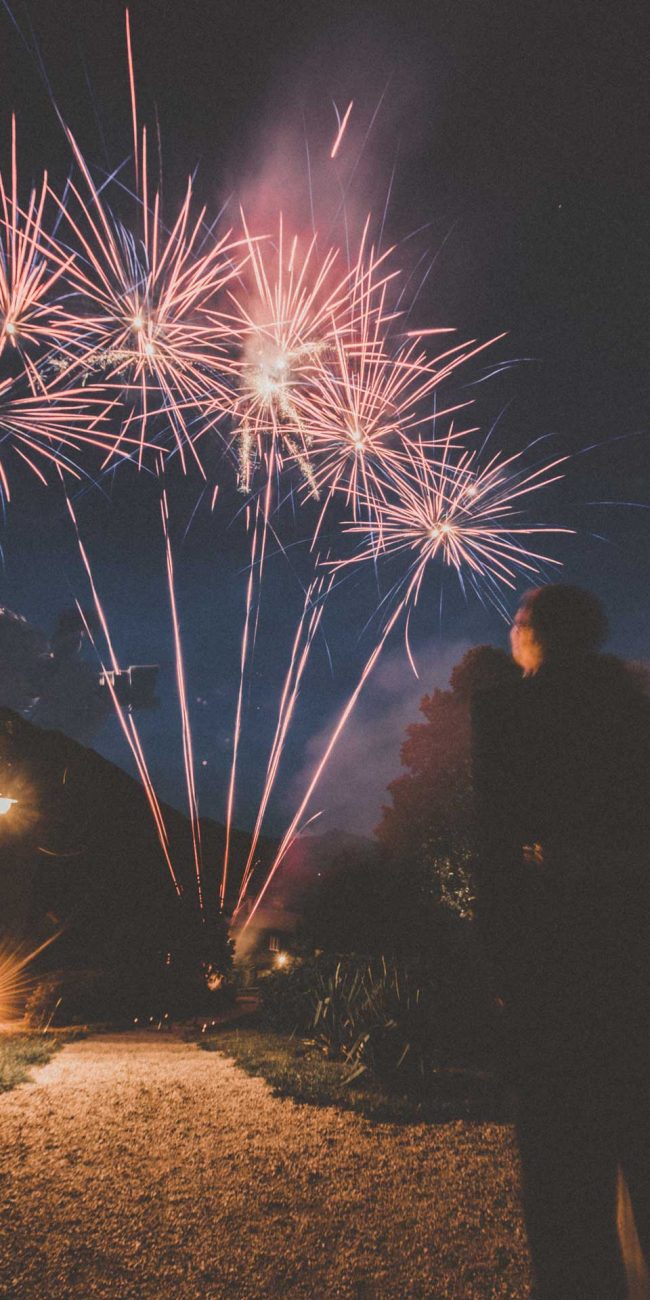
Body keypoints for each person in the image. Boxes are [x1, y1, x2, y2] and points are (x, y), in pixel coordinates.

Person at [471, 583, 650, 1299]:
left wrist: (500, 969)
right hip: (639, 961)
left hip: (555, 974)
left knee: (563, 1179)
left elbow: (495, 852)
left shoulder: (509, 713)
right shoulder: (636, 710)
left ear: (532, 633)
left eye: (517, 621)